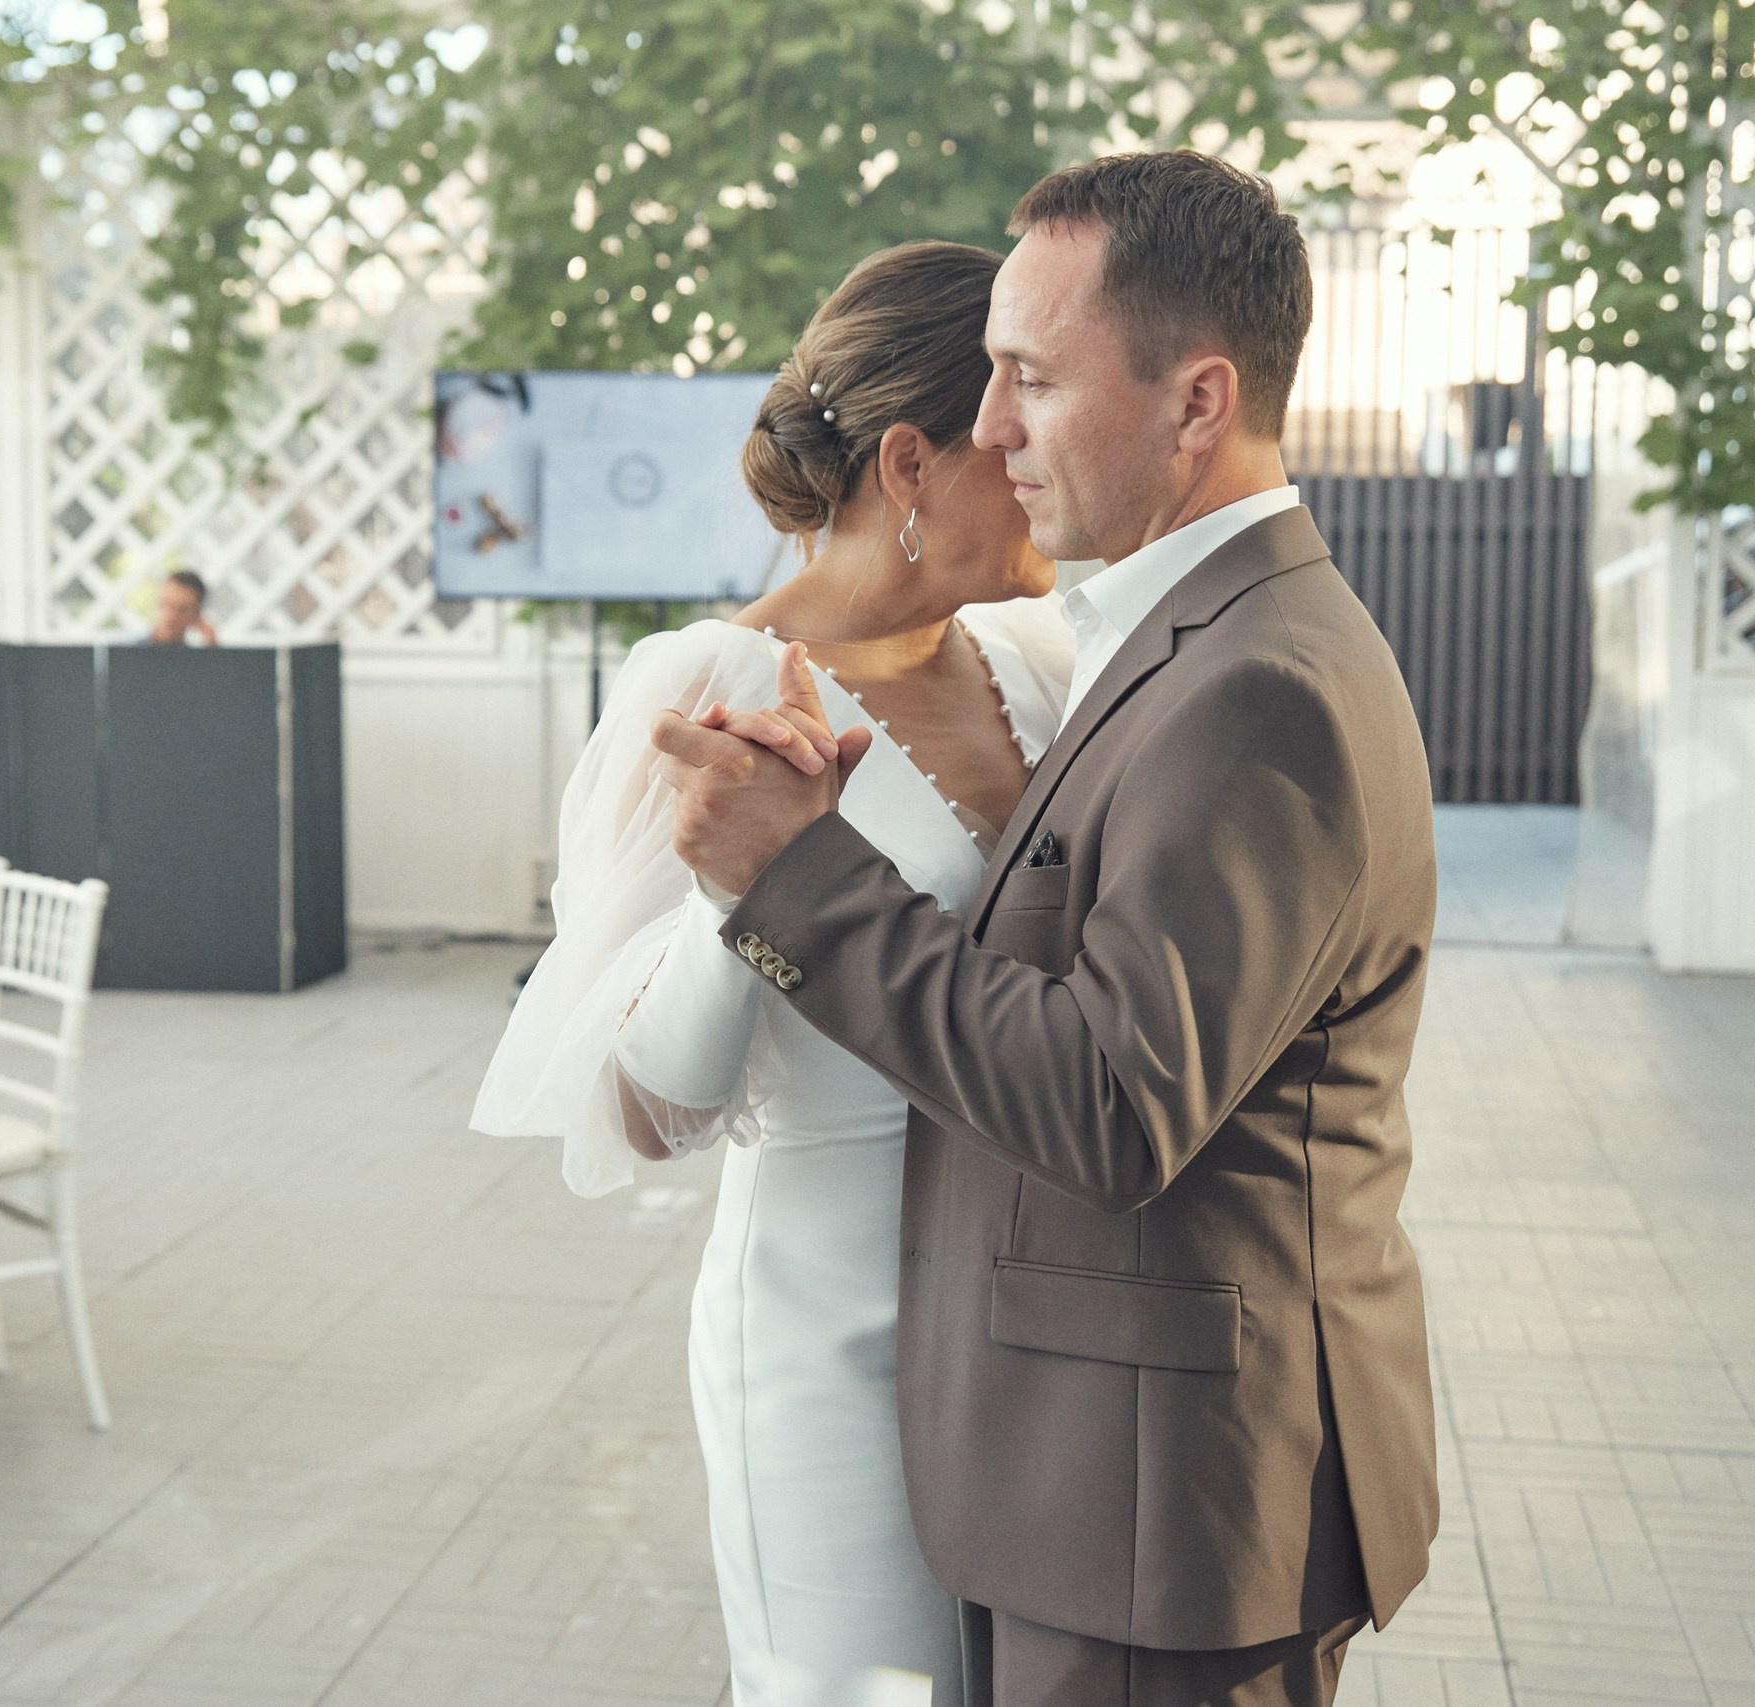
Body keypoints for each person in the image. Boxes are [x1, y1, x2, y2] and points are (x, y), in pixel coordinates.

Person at [651, 153, 1439, 1707]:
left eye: (1028, 376)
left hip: (1161, 1507)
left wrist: (798, 876)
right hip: (1102, 1480)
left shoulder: (1254, 683)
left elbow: (1108, 1098)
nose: (991, 427)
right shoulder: (1174, 635)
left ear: (1197, 400)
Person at [474, 242, 1072, 1707]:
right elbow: (633, 1107)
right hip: (829, 1330)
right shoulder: (716, 688)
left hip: (1037, 1318)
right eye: (1016, 425)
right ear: (913, 462)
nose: (1044, 457)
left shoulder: (1040, 664)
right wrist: (740, 889)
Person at [149, 569, 219, 646]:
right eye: (165, 603)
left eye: (182, 609)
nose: (171, 615)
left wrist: (212, 649)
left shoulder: (195, 655)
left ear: (196, 615)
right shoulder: (134, 650)